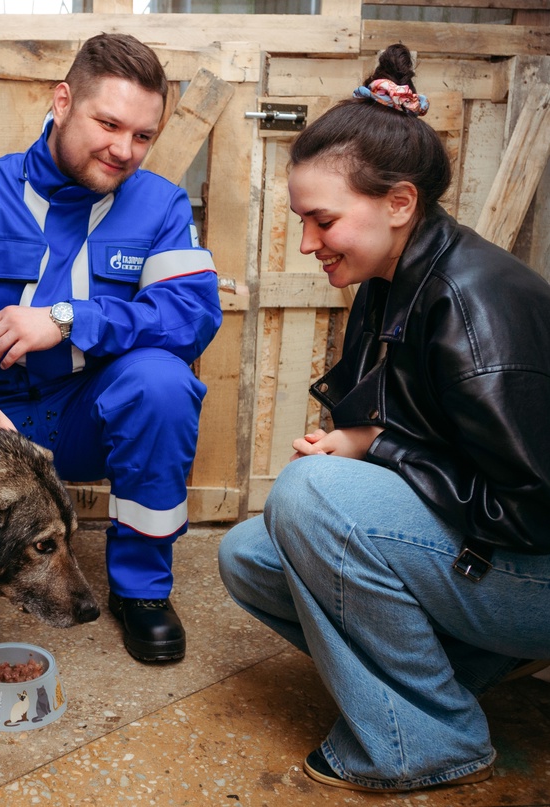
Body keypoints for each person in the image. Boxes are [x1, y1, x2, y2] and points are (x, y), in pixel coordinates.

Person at [218, 42, 550, 792]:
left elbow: (531, 514)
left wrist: (373, 448)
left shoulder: (473, 310)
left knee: (306, 499)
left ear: (398, 203)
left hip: (535, 567)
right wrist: (351, 439)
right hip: (493, 556)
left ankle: (428, 737)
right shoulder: (388, 279)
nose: (305, 242)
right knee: (248, 553)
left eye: (320, 219)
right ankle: (464, 665)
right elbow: (399, 424)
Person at [0, 33, 222, 663]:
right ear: (62, 101)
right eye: (109, 123)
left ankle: (142, 592)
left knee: (163, 384)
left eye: (143, 136)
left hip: (81, 417)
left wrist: (68, 320)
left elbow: (192, 313)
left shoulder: (162, 206)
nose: (124, 150)